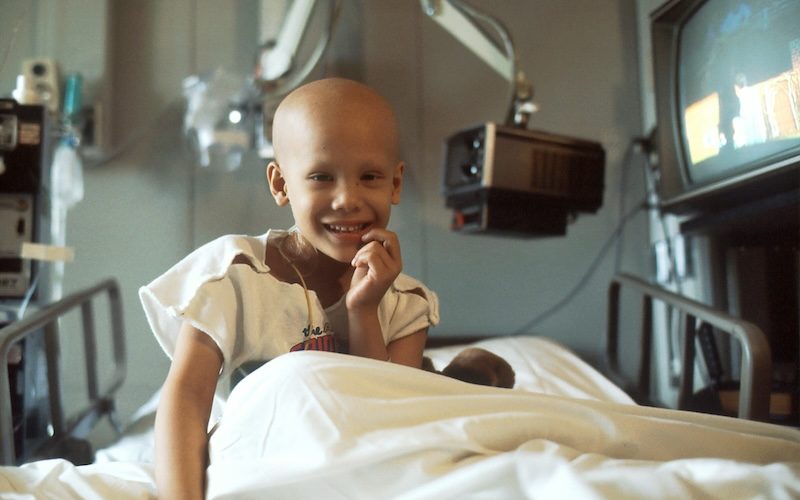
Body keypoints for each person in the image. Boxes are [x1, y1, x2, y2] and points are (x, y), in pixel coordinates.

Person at [139, 77, 439, 500]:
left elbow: (381, 422)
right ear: (280, 184)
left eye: (369, 176)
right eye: (321, 177)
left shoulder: (406, 306)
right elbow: (186, 400)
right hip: (257, 469)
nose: (347, 199)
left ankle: (464, 377)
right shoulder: (233, 276)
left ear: (395, 183)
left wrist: (363, 310)